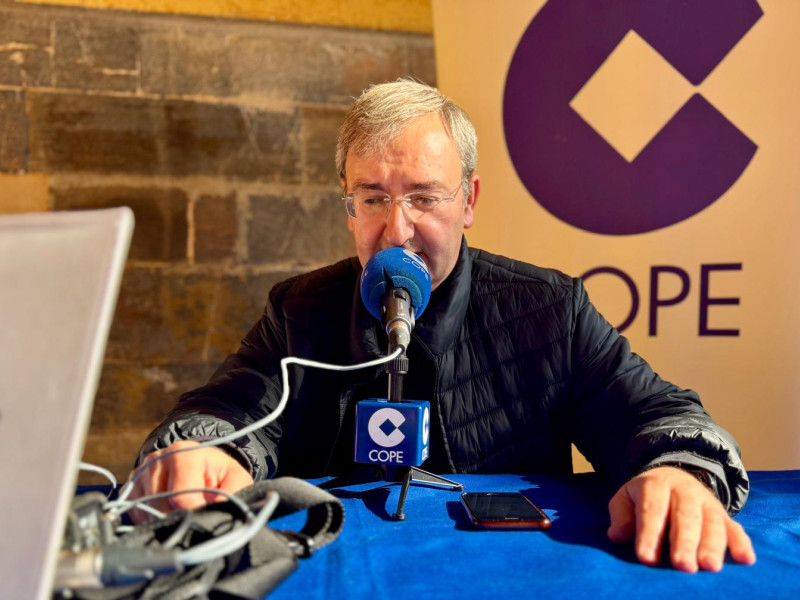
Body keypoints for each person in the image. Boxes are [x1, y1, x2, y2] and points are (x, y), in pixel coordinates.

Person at [130, 79, 755, 573]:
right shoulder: (299, 309)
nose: (396, 230)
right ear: (348, 207)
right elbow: (224, 414)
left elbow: (658, 413)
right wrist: (204, 452)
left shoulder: (550, 309)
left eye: (424, 197)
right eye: (373, 198)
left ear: (469, 202)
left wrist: (679, 470)